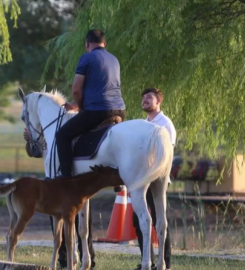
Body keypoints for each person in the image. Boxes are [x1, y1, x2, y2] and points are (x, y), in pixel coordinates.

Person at [55, 29, 126, 179]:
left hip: (98, 112)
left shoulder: (86, 58)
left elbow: (76, 89)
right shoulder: (114, 59)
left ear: (87, 44)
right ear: (104, 44)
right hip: (120, 110)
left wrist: (80, 107)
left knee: (62, 135)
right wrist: (77, 105)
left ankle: (66, 178)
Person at [132, 87, 176, 270]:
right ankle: (146, 261)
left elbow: (168, 153)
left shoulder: (165, 124)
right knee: (138, 219)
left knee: (160, 218)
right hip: (142, 179)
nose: (145, 100)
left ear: (159, 101)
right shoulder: (143, 124)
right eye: (143, 97)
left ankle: (165, 262)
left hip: (157, 178)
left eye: (149, 97)